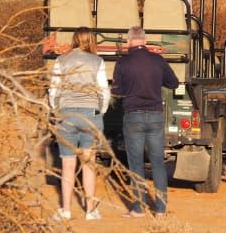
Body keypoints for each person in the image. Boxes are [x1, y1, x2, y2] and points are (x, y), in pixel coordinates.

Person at [112, 26, 179, 217]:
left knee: (136, 163)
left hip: (133, 116)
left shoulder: (123, 63)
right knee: (158, 161)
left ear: (129, 41)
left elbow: (118, 90)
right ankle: (160, 209)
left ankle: (139, 208)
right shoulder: (157, 60)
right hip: (156, 115)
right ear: (145, 39)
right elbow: (173, 83)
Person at [49, 27, 111, 221]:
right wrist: (100, 110)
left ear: (74, 40)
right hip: (89, 115)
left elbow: (53, 91)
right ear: (91, 40)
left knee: (67, 164)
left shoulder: (61, 61)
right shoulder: (97, 61)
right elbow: (103, 90)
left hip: (67, 114)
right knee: (89, 163)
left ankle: (66, 210)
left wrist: (57, 110)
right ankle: (90, 210)